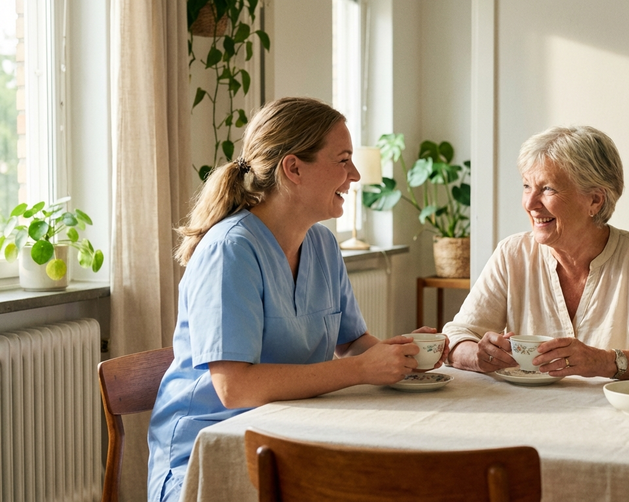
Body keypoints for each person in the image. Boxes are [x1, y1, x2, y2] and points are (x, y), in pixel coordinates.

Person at [147, 97, 445, 502]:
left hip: (291, 437)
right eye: (343, 160)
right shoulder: (230, 250)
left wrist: (404, 356)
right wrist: (360, 369)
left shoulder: (322, 244)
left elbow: (352, 343)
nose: (355, 175)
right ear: (294, 168)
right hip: (209, 455)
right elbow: (234, 388)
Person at [443, 125, 629, 380]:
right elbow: (455, 336)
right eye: (527, 186)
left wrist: (605, 361)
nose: (530, 203)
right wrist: (477, 355)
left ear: (595, 200)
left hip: (611, 404)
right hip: (529, 404)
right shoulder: (512, 254)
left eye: (548, 189)